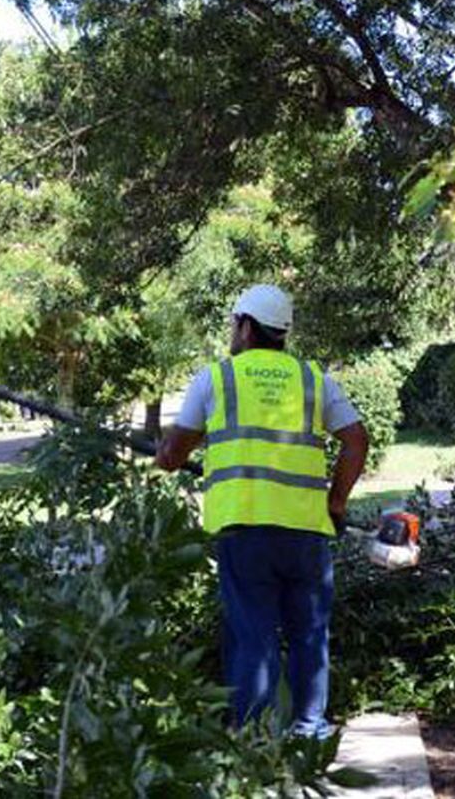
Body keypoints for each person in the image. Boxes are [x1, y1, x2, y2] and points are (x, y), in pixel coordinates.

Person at [155, 284, 369, 738]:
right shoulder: (314, 379)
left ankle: (257, 738)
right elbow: (356, 441)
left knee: (253, 634)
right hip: (307, 531)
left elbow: (174, 454)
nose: (233, 331)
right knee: (310, 632)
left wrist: (165, 455)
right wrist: (336, 502)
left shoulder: (216, 379)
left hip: (245, 530)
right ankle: (310, 728)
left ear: (247, 327)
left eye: (235, 323)